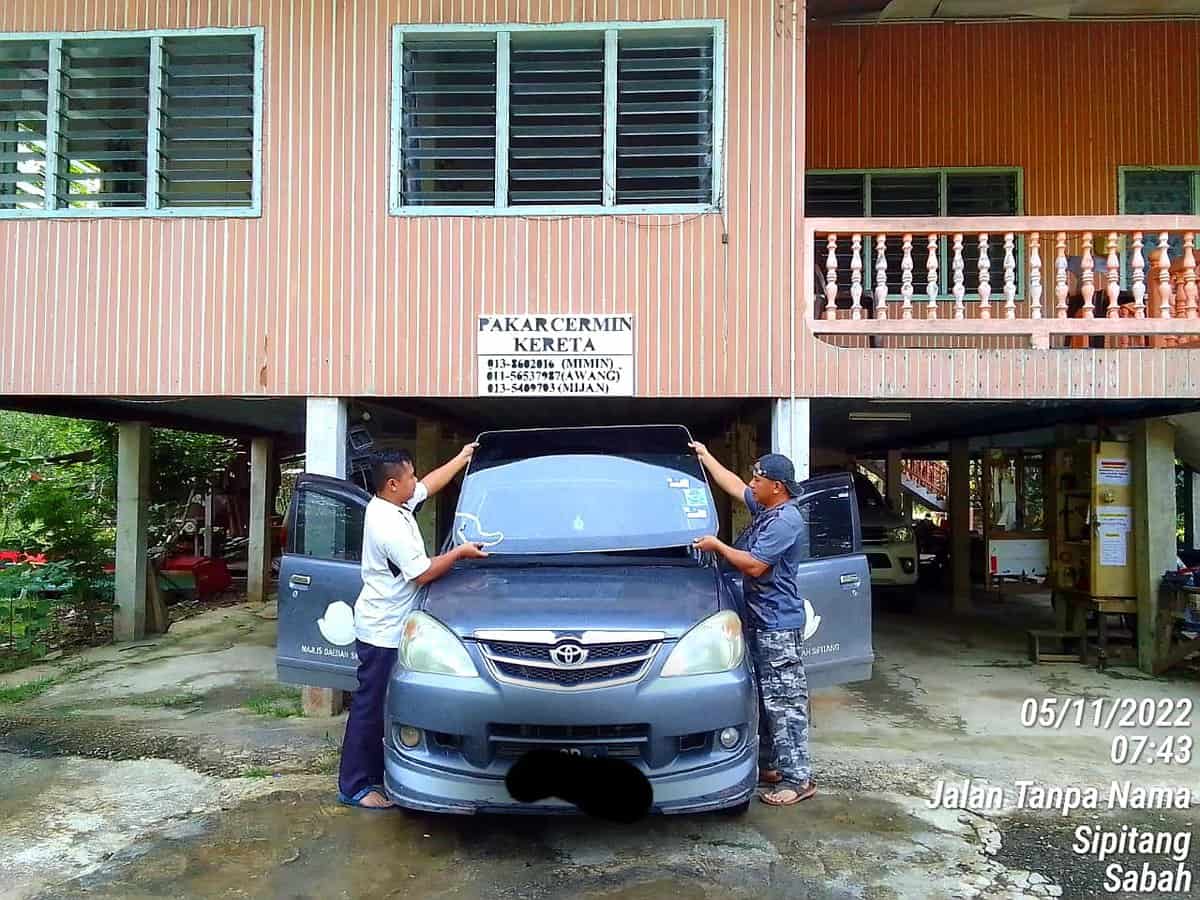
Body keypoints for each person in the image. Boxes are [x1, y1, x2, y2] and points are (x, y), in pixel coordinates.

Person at [338, 445, 488, 809]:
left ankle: (378, 773)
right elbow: (422, 573)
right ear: (393, 484)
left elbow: (430, 486)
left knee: (385, 704)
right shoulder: (388, 524)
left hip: (391, 625)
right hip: (382, 631)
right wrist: (459, 553)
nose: (417, 481)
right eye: (410, 477)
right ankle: (355, 786)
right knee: (370, 706)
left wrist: (462, 457)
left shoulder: (394, 504)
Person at [689, 443, 816, 807]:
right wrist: (705, 456)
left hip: (778, 624)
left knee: (785, 703)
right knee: (766, 698)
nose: (751, 482)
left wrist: (718, 546)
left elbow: (755, 565)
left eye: (758, 478)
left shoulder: (786, 520)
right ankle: (773, 767)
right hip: (761, 620)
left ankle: (797, 778)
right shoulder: (768, 507)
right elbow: (732, 485)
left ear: (777, 485)